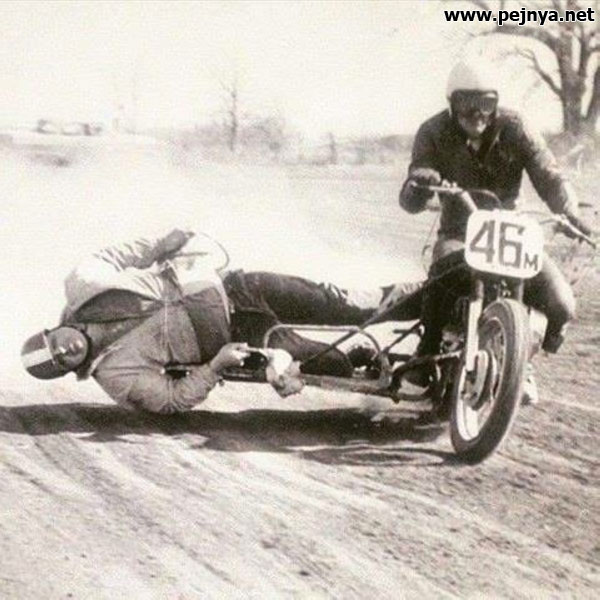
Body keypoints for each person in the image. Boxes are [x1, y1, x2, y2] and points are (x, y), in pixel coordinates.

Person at [21, 227, 423, 414]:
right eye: (63, 358)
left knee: (345, 305)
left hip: (236, 287)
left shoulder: (82, 284)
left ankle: (435, 295)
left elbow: (115, 255)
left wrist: (163, 243)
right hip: (242, 336)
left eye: (56, 342)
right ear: (68, 369)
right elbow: (172, 399)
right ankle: (380, 364)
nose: (67, 348)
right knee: (329, 363)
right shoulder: (115, 376)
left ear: (53, 330)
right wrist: (216, 366)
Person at [399, 58, 594, 403]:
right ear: (451, 103)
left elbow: (549, 175)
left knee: (561, 304)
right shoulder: (432, 131)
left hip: (512, 235)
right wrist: (420, 182)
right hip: (459, 233)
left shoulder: (516, 127)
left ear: (496, 103)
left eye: (486, 104)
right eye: (467, 104)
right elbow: (412, 193)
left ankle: (522, 362)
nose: (477, 114)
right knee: (441, 273)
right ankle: (427, 350)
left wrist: (570, 211)